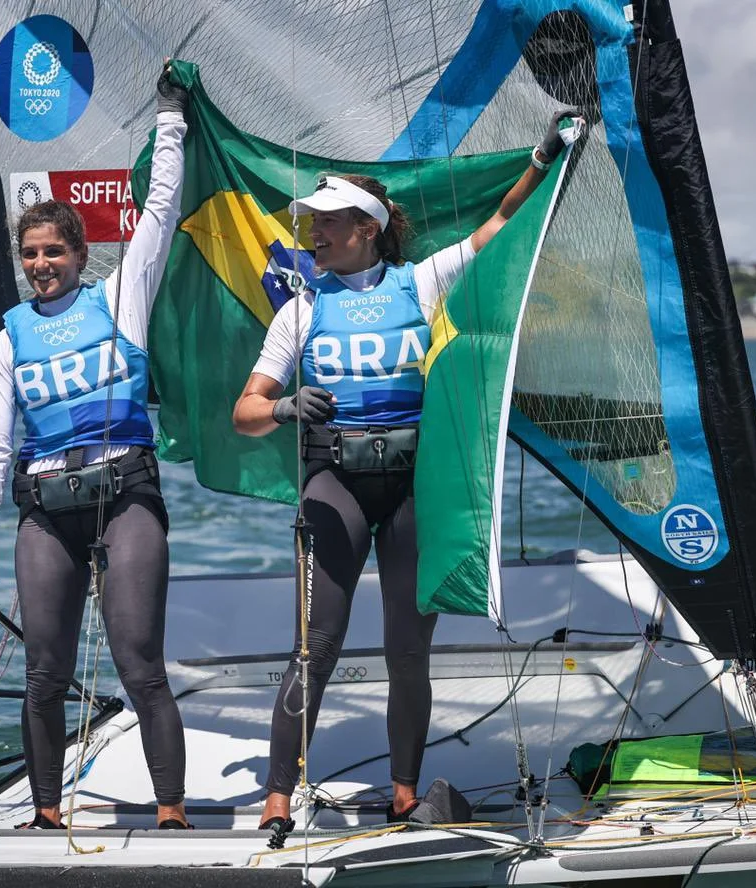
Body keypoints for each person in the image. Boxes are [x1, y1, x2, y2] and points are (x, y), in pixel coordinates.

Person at [232, 110, 582, 832]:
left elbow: (497, 231)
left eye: (327, 222)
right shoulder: (299, 312)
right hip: (334, 487)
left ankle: (403, 792)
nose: (313, 233)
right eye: (312, 223)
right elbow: (245, 411)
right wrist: (287, 407)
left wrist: (544, 159)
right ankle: (276, 796)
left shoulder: (421, 282)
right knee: (318, 644)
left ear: (365, 228)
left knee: (407, 650)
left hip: (408, 488)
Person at [0, 62, 191, 830]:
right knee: (44, 672)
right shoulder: (7, 342)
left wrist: (172, 119)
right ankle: (47, 813)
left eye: (54, 252)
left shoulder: (123, 298)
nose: (41, 266)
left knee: (139, 664)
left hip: (126, 495)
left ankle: (171, 811)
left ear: (80, 256)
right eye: (30, 255)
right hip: (46, 509)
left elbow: (159, 211)